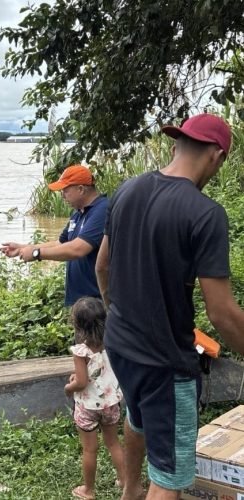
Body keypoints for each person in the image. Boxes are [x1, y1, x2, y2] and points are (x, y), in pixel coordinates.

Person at [95, 113, 244, 500]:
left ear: (177, 144)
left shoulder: (126, 190)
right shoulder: (205, 214)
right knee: (171, 478)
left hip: (121, 344)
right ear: (216, 156)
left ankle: (129, 491)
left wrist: (118, 317)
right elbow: (222, 313)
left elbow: (103, 266)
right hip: (166, 361)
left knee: (138, 418)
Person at [0, 165, 107, 306]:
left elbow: (78, 249)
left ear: (81, 189)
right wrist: (23, 248)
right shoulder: (78, 213)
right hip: (80, 301)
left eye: (65, 190)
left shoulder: (102, 210)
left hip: (98, 301)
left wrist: (37, 253)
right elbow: (61, 243)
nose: (62, 195)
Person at [64, 297, 124, 499]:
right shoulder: (113, 342)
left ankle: (88, 490)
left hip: (88, 406)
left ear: (78, 325)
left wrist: (69, 387)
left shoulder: (81, 351)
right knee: (114, 443)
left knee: (90, 450)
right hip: (110, 403)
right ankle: (125, 482)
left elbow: (81, 382)